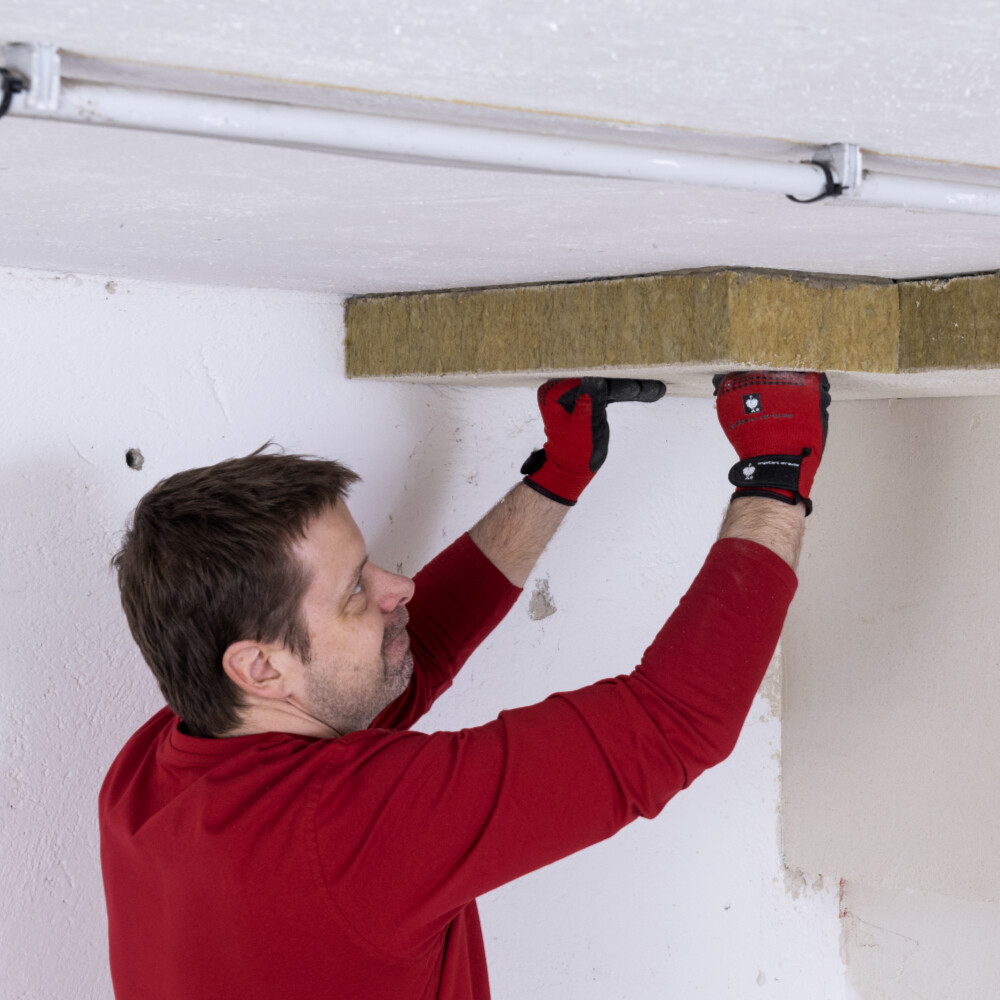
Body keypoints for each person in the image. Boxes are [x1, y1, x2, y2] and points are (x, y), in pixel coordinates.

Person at [100, 370, 830, 999]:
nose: (399, 587)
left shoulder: (151, 775)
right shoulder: (346, 830)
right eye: (356, 591)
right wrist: (776, 476)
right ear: (259, 667)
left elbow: (400, 663)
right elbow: (674, 723)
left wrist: (557, 474)